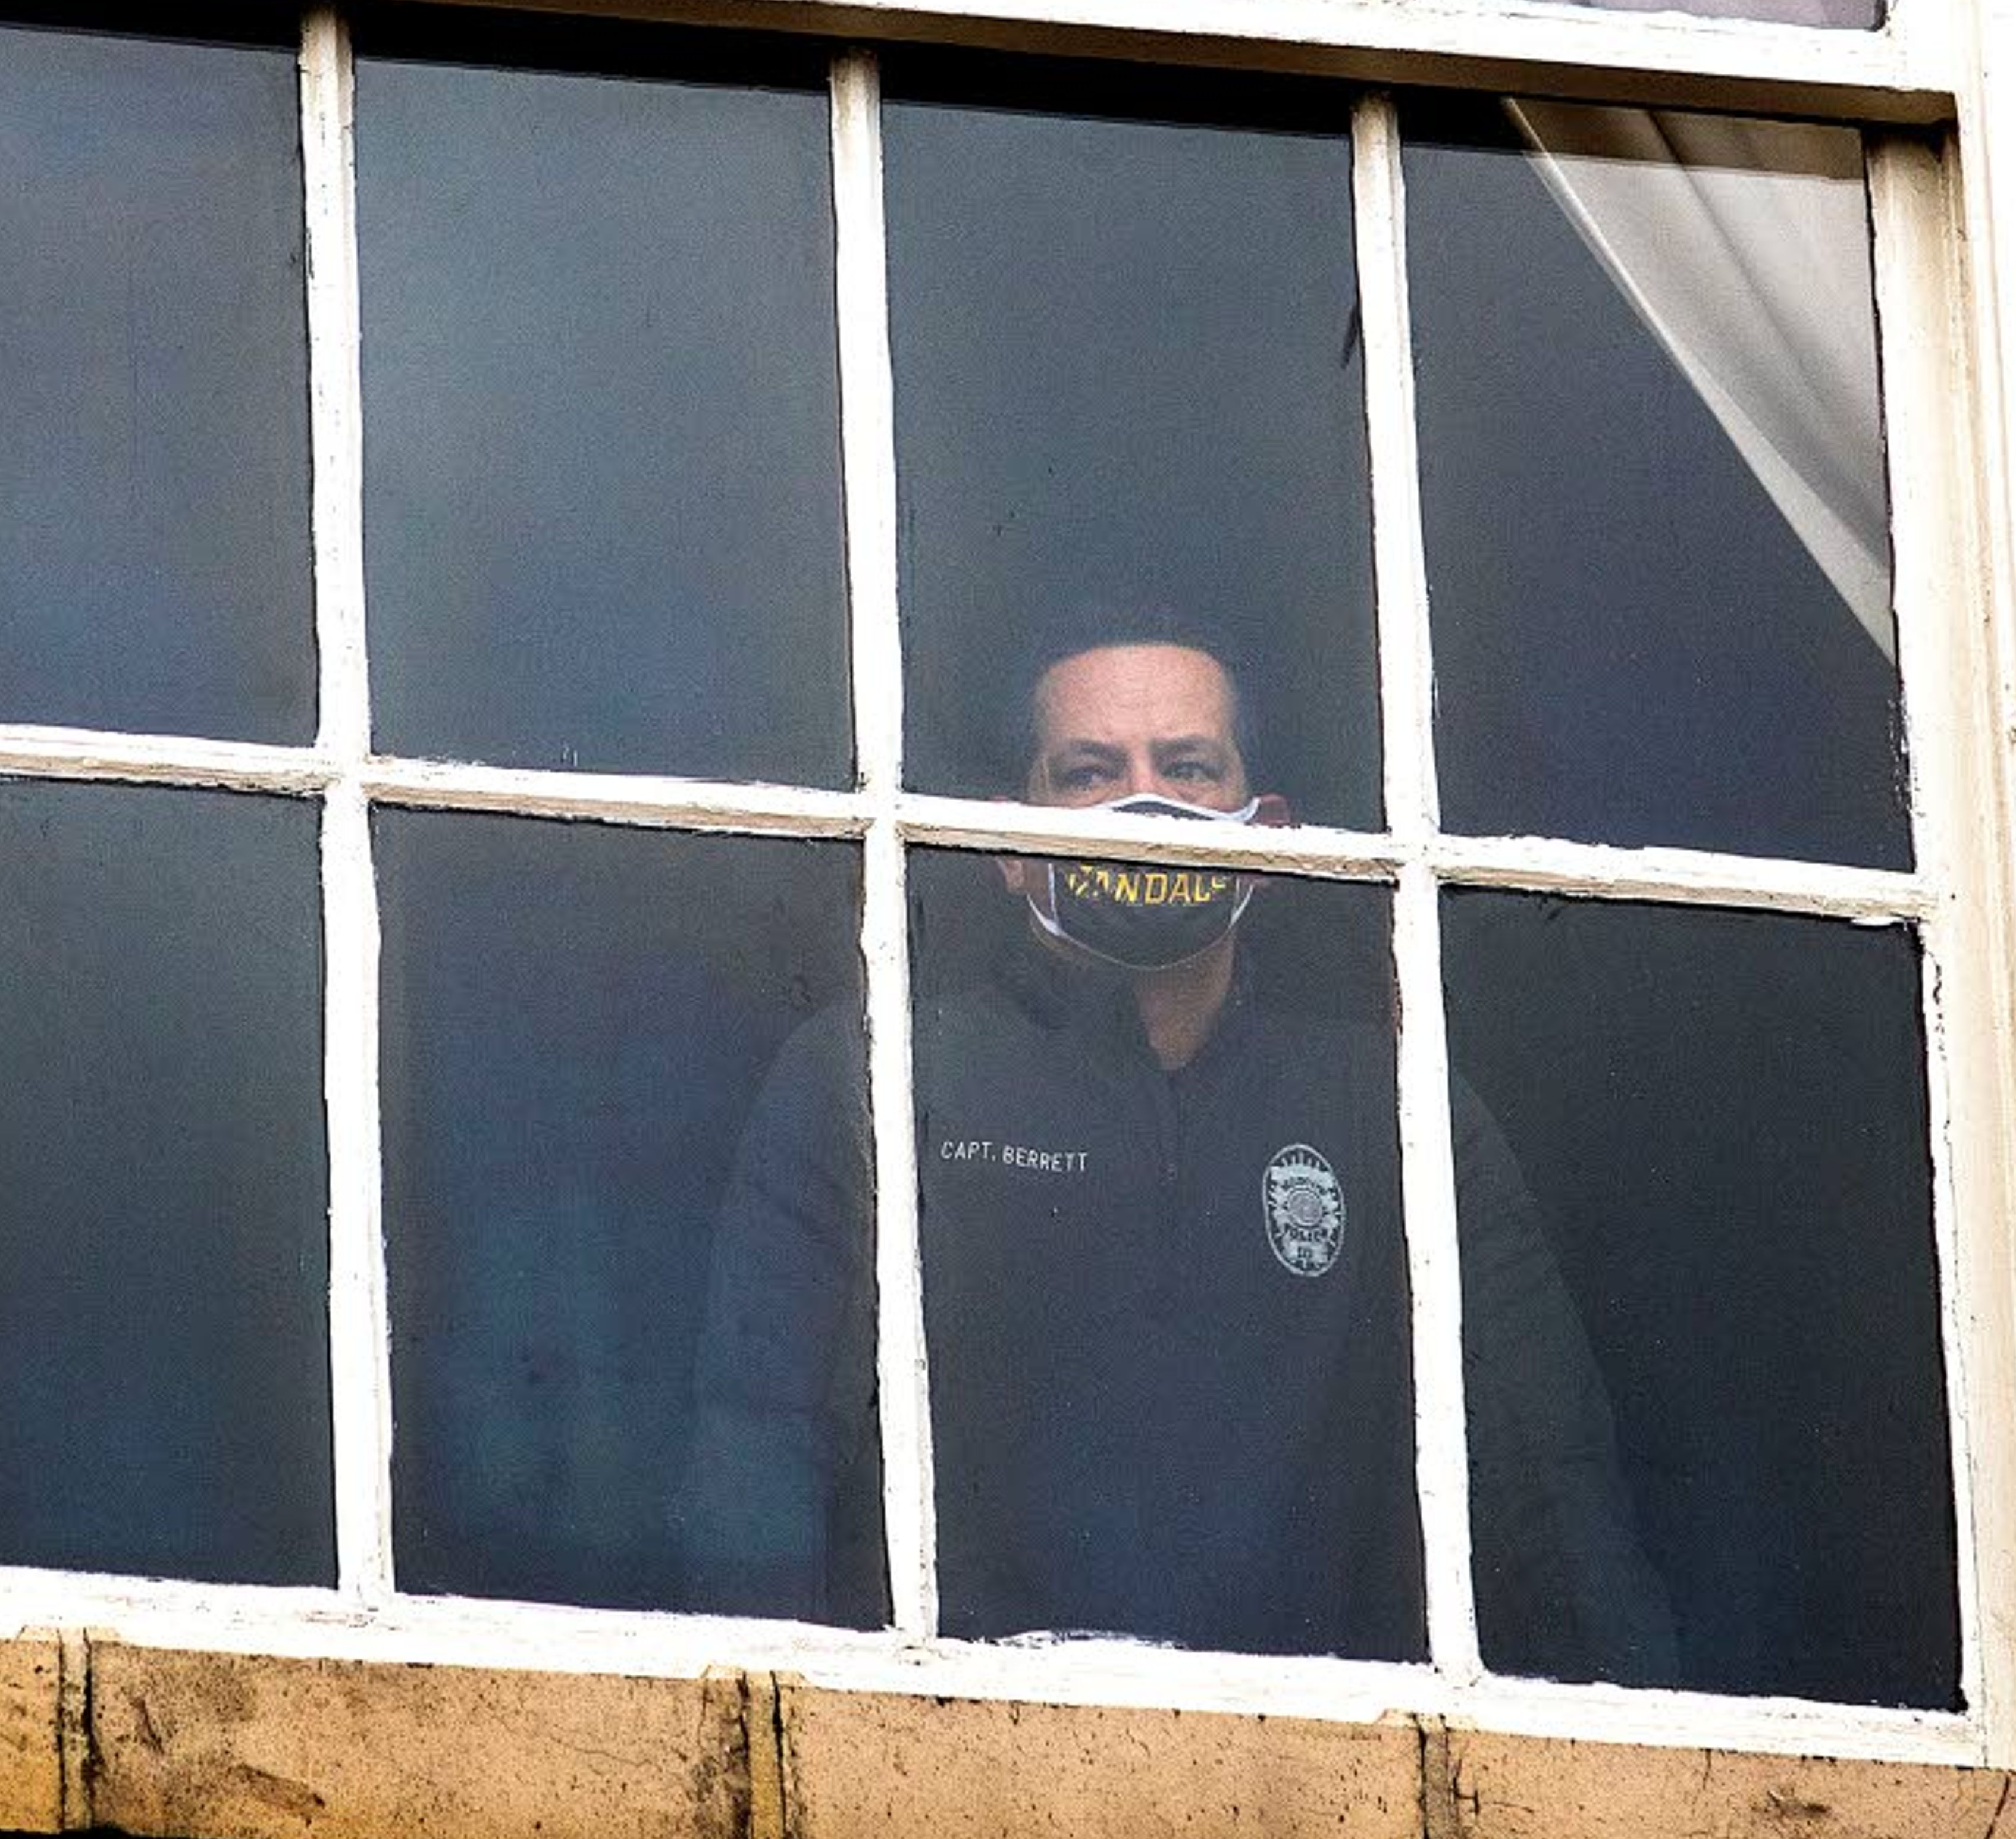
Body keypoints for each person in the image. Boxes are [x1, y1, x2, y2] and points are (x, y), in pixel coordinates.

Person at [689, 633, 1675, 1676]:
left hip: (1326, 1775)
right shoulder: (873, 1077)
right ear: (1007, 844)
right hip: (948, 1767)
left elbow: (1552, 1496)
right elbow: (756, 1466)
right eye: (1091, 773)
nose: (1144, 805)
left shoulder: (1392, 1108)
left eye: (1189, 768)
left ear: (1274, 835)